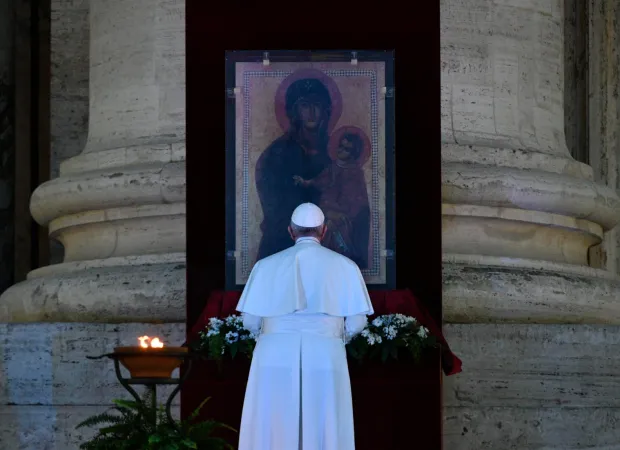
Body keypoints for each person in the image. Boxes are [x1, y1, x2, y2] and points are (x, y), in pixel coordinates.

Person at [236, 202, 374, 450]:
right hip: (325, 353)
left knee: (273, 420)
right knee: (325, 419)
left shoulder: (265, 266)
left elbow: (250, 322)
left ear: (291, 231)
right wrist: (332, 335)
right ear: (324, 231)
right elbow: (357, 322)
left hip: (274, 354)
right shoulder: (346, 266)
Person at [255, 77, 333, 261]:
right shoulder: (277, 154)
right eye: (305, 105)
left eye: (317, 105)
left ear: (325, 110)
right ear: (295, 112)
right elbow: (275, 209)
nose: (312, 112)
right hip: (284, 246)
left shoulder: (337, 149)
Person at [293, 129, 371, 268]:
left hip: (342, 213)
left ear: (354, 153)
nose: (341, 150)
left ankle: (341, 263)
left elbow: (356, 199)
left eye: (347, 149)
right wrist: (305, 182)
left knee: (336, 232)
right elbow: (320, 181)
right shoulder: (332, 167)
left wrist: (341, 212)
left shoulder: (354, 172)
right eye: (341, 146)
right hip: (327, 209)